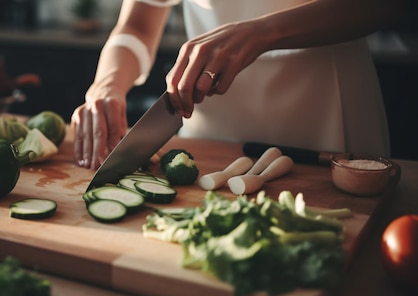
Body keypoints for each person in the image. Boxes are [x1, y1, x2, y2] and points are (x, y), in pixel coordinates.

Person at [71, 0, 403, 170]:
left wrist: (263, 32)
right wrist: (107, 84)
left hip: (330, 115)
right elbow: (138, 24)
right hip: (210, 134)